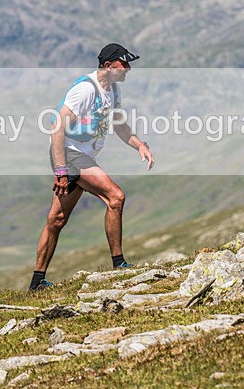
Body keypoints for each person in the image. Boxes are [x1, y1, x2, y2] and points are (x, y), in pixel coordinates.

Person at [28, 43, 155, 291]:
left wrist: (139, 144)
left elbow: (119, 125)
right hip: (70, 153)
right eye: (123, 64)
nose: (128, 68)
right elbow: (56, 127)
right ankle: (119, 265)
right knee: (115, 197)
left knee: (57, 219)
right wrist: (62, 171)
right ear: (108, 66)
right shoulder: (86, 89)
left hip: (83, 155)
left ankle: (36, 282)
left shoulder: (114, 91)